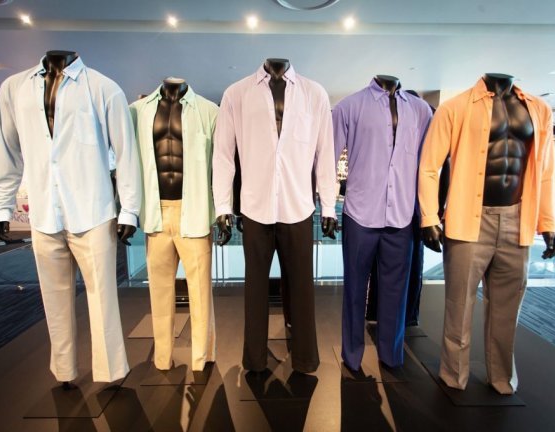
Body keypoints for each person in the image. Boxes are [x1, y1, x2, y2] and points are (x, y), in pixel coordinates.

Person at [0, 50, 141, 386]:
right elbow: (7, 150)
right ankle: (64, 370)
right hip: (45, 211)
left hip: (93, 211)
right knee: (54, 300)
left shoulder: (103, 88)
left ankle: (110, 371)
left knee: (102, 298)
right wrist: (2, 205)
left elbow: (126, 152)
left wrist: (129, 209)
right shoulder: (14, 88)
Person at [418, 73, 555, 394]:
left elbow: (546, 172)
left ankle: (501, 377)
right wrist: (429, 217)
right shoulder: (456, 107)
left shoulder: (539, 109)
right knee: (459, 304)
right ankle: (453, 375)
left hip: (518, 218)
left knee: (507, 308)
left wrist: (547, 223)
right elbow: (429, 166)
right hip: (468, 217)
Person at [212, 59, 337, 373]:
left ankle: (306, 358)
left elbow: (325, 153)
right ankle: (254, 359)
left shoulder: (315, 93)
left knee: (302, 289)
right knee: (254, 289)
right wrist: (223, 207)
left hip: (298, 207)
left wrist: (328, 206)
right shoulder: (236, 94)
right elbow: (223, 154)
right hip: (256, 207)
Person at [333, 76, 432, 370]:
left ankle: (390, 354)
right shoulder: (349, 106)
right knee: (354, 289)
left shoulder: (421, 110)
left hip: (402, 214)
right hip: (360, 213)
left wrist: (428, 213)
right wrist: (326, 206)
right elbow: (328, 158)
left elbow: (428, 165)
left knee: (396, 292)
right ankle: (352, 355)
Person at [129, 77, 217, 371]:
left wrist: (223, 209)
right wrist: (126, 210)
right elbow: (126, 161)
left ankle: (201, 358)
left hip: (196, 211)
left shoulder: (208, 111)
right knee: (159, 292)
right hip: (156, 212)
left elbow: (220, 164)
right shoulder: (137, 111)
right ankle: (162, 358)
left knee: (200, 292)